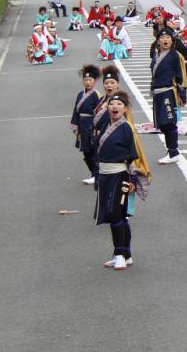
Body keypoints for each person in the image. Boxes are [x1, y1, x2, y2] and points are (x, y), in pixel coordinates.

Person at [94, 91, 151, 271]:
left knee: (116, 214)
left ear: (125, 109)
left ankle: (119, 254)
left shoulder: (126, 127)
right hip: (105, 175)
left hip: (120, 175)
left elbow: (133, 155)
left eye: (119, 104)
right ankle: (126, 254)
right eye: (111, 104)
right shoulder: (106, 125)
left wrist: (132, 178)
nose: (114, 107)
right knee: (116, 215)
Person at [150, 28, 187, 164]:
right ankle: (171, 150)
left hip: (168, 92)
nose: (165, 40)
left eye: (168, 38)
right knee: (162, 124)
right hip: (157, 92)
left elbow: (180, 75)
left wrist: (182, 93)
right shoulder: (156, 54)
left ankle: (173, 152)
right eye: (162, 38)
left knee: (169, 122)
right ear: (158, 41)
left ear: (172, 41)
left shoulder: (175, 55)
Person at [89, 65, 123, 186]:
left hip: (112, 137)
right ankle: (97, 177)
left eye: (112, 82)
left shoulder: (120, 101)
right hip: (99, 136)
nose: (109, 85)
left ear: (118, 84)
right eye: (106, 83)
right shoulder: (103, 99)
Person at [70, 65, 102, 185]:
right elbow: (76, 111)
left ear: (94, 81)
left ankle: (95, 174)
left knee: (93, 151)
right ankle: (93, 172)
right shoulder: (80, 94)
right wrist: (75, 126)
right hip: (82, 125)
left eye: (90, 80)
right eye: (86, 80)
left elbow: (100, 113)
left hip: (91, 125)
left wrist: (97, 128)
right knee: (86, 152)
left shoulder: (97, 95)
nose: (88, 82)